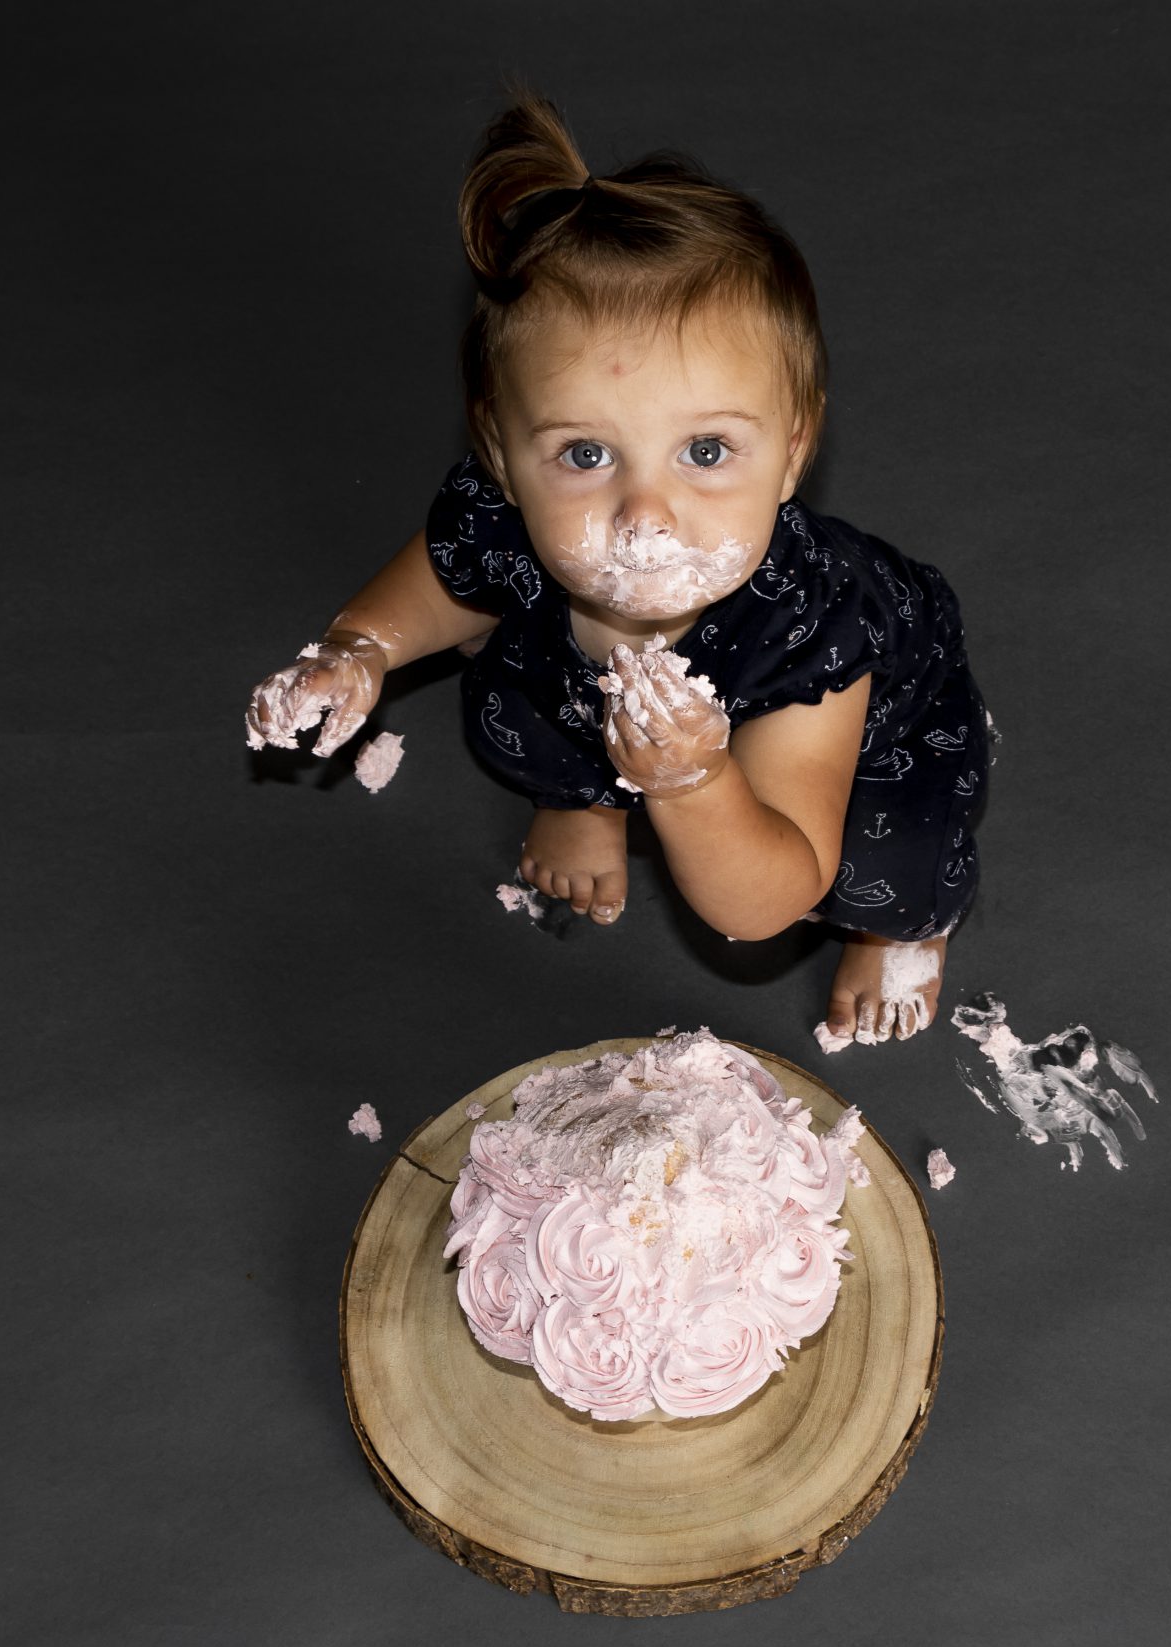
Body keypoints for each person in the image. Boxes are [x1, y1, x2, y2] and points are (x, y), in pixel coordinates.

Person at [245, 91, 991, 1048]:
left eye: (707, 452)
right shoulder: (510, 527)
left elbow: (767, 900)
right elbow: (436, 588)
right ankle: (585, 795)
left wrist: (692, 783)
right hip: (600, 693)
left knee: (876, 859)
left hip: (861, 744)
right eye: (586, 454)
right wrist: (358, 648)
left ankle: (900, 931)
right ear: (502, 456)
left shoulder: (816, 635)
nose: (646, 515)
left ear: (793, 453)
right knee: (522, 691)